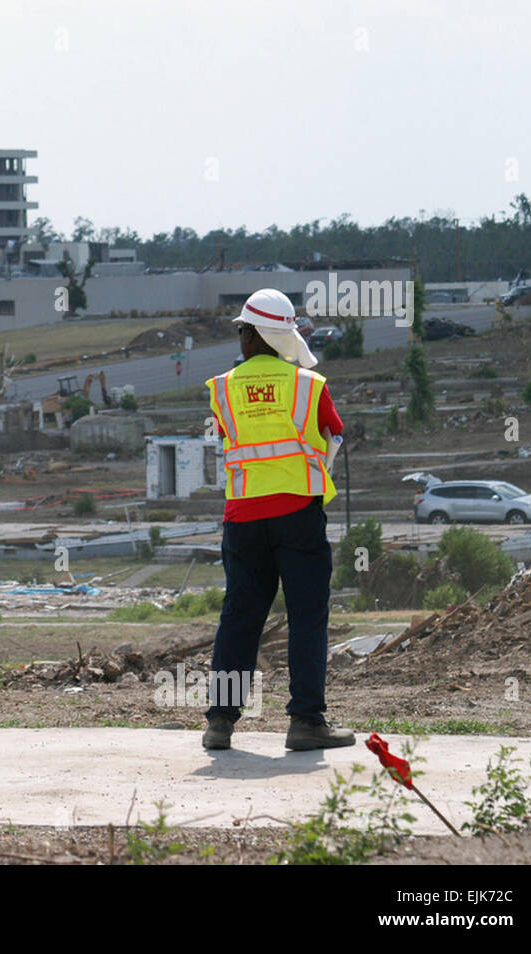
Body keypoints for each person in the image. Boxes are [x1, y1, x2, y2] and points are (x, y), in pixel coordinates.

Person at [201, 288, 354, 752]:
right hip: (297, 516)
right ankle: (306, 722)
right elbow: (334, 435)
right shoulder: (310, 386)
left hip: (243, 517)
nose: (239, 339)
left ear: (251, 335)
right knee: (307, 616)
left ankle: (220, 724)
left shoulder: (222, 389)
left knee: (240, 617)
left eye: (241, 331)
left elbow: (230, 437)